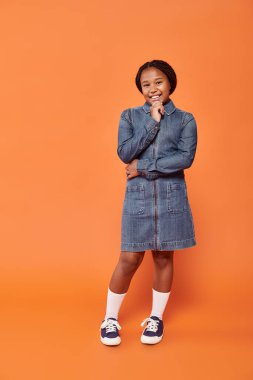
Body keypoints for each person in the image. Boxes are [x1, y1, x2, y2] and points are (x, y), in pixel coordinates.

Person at [100, 59, 198, 346]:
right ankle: (109, 318)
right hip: (139, 199)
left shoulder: (186, 119)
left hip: (171, 198)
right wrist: (153, 123)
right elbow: (124, 152)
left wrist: (142, 168)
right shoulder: (129, 117)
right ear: (140, 89)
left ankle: (156, 319)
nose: (153, 89)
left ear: (170, 83)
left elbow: (185, 158)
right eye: (146, 85)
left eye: (159, 82)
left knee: (163, 256)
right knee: (129, 258)